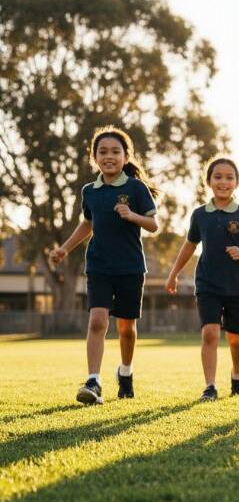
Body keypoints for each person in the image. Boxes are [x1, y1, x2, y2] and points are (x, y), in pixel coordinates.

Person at [49, 126, 159, 404]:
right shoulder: (90, 191)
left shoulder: (135, 187)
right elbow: (87, 223)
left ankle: (125, 371)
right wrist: (64, 248)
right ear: (94, 157)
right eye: (103, 152)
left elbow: (154, 224)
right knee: (98, 320)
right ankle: (94, 381)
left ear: (125, 156)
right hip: (98, 265)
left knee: (126, 328)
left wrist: (132, 215)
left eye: (115, 152)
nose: (109, 156)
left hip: (131, 267)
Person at [166, 157, 239, 401]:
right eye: (218, 177)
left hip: (238, 286)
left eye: (229, 178)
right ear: (208, 181)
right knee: (210, 332)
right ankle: (210, 386)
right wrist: (174, 273)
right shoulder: (199, 215)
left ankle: (237, 374)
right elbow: (189, 246)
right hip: (207, 283)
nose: (223, 182)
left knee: (236, 338)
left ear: (236, 183)